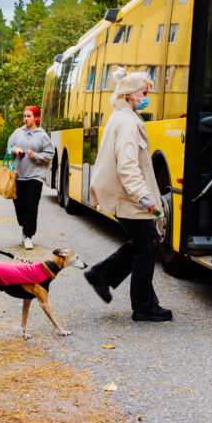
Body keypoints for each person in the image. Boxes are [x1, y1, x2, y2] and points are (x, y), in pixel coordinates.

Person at [83, 70, 172, 322]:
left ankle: (103, 275)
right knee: (148, 246)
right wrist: (144, 198)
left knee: (144, 243)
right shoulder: (127, 123)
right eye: (144, 93)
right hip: (128, 197)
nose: (147, 98)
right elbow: (127, 166)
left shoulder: (123, 117)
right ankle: (143, 306)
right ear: (131, 94)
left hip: (124, 195)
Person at [6, 105, 55, 250]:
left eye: (29, 116)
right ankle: (24, 225)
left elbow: (50, 153)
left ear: (36, 118)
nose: (26, 119)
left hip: (35, 176)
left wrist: (36, 156)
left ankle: (28, 236)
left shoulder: (42, 135)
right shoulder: (17, 133)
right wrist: (15, 150)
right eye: (24, 116)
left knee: (31, 206)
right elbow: (8, 150)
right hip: (19, 176)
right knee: (19, 207)